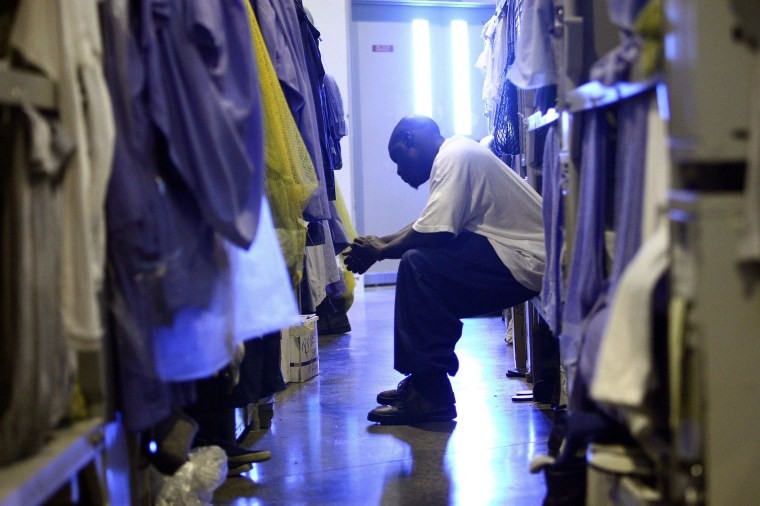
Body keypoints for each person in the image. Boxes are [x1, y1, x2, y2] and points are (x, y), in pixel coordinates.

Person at [342, 115, 546, 425]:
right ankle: (423, 381)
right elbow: (430, 221)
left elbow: (437, 231)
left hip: (528, 261)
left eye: (399, 158)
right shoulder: (455, 154)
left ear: (411, 139)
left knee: (419, 266)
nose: (399, 171)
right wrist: (381, 242)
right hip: (518, 257)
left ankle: (431, 392)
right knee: (418, 260)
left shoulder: (454, 156)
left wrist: (381, 252)